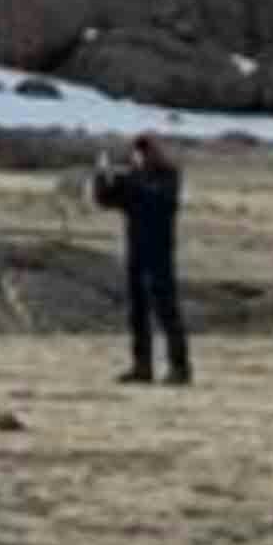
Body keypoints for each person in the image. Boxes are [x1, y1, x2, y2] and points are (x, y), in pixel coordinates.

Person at [91, 133, 192, 386]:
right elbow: (106, 200)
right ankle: (141, 365)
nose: (139, 158)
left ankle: (180, 367)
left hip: (160, 253)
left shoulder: (168, 176)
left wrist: (130, 184)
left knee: (166, 310)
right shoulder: (134, 178)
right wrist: (102, 177)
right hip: (136, 252)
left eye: (143, 153)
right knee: (137, 311)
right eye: (137, 153)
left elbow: (160, 201)